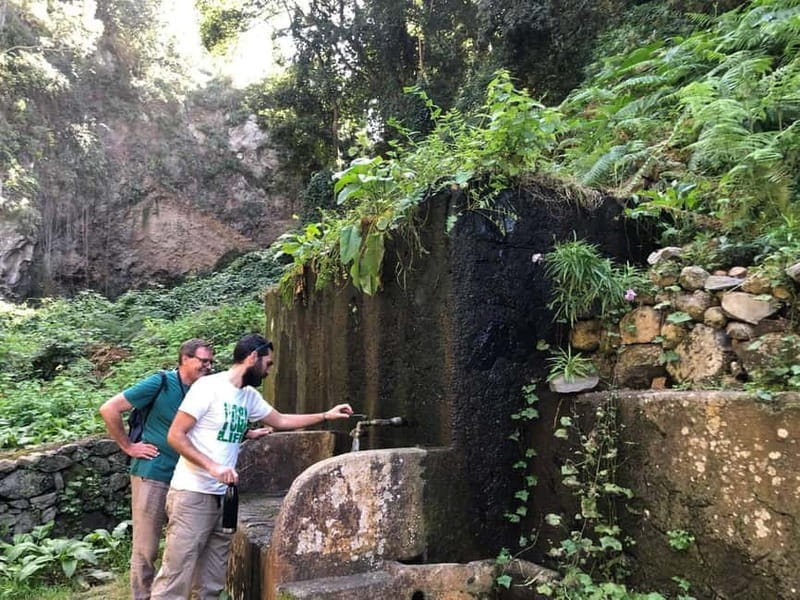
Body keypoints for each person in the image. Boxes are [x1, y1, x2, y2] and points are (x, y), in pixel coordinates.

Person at [150, 333, 353, 600]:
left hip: (226, 497)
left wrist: (326, 415)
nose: (269, 371)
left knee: (212, 580)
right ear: (252, 357)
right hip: (193, 494)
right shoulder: (208, 387)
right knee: (176, 577)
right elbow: (176, 435)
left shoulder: (248, 396)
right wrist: (212, 467)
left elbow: (280, 420)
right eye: (267, 364)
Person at [99, 338, 215, 600]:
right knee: (146, 546)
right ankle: (141, 595)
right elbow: (109, 408)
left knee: (185, 544)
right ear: (185, 358)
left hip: (189, 477)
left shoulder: (206, 388)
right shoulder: (161, 383)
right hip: (153, 473)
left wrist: (248, 432)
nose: (208, 366)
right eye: (203, 361)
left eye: (210, 362)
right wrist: (129, 446)